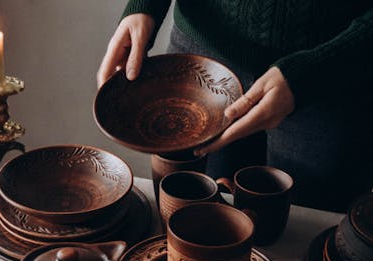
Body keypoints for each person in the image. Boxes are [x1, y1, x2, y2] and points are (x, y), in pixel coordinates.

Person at [97, 0, 373, 212]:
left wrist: (312, 73)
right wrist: (144, 6)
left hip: (331, 75)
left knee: (305, 238)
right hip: (202, 63)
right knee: (195, 219)